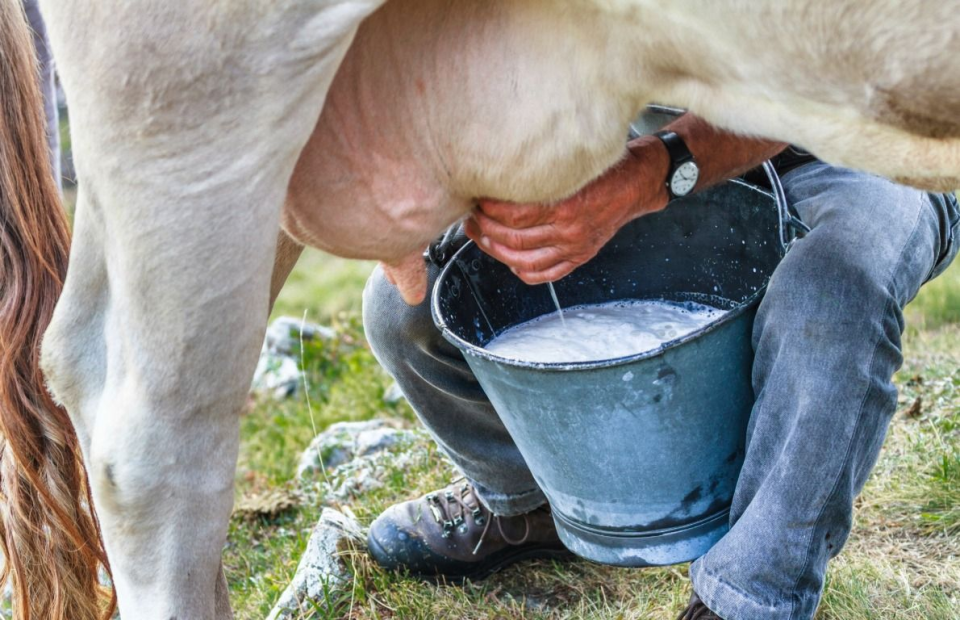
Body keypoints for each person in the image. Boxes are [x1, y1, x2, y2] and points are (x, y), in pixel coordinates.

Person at [361, 111, 960, 620]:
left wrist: (648, 174)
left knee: (831, 294)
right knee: (406, 304)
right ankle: (538, 502)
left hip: (868, 150)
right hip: (648, 141)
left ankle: (749, 594)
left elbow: (807, 96)